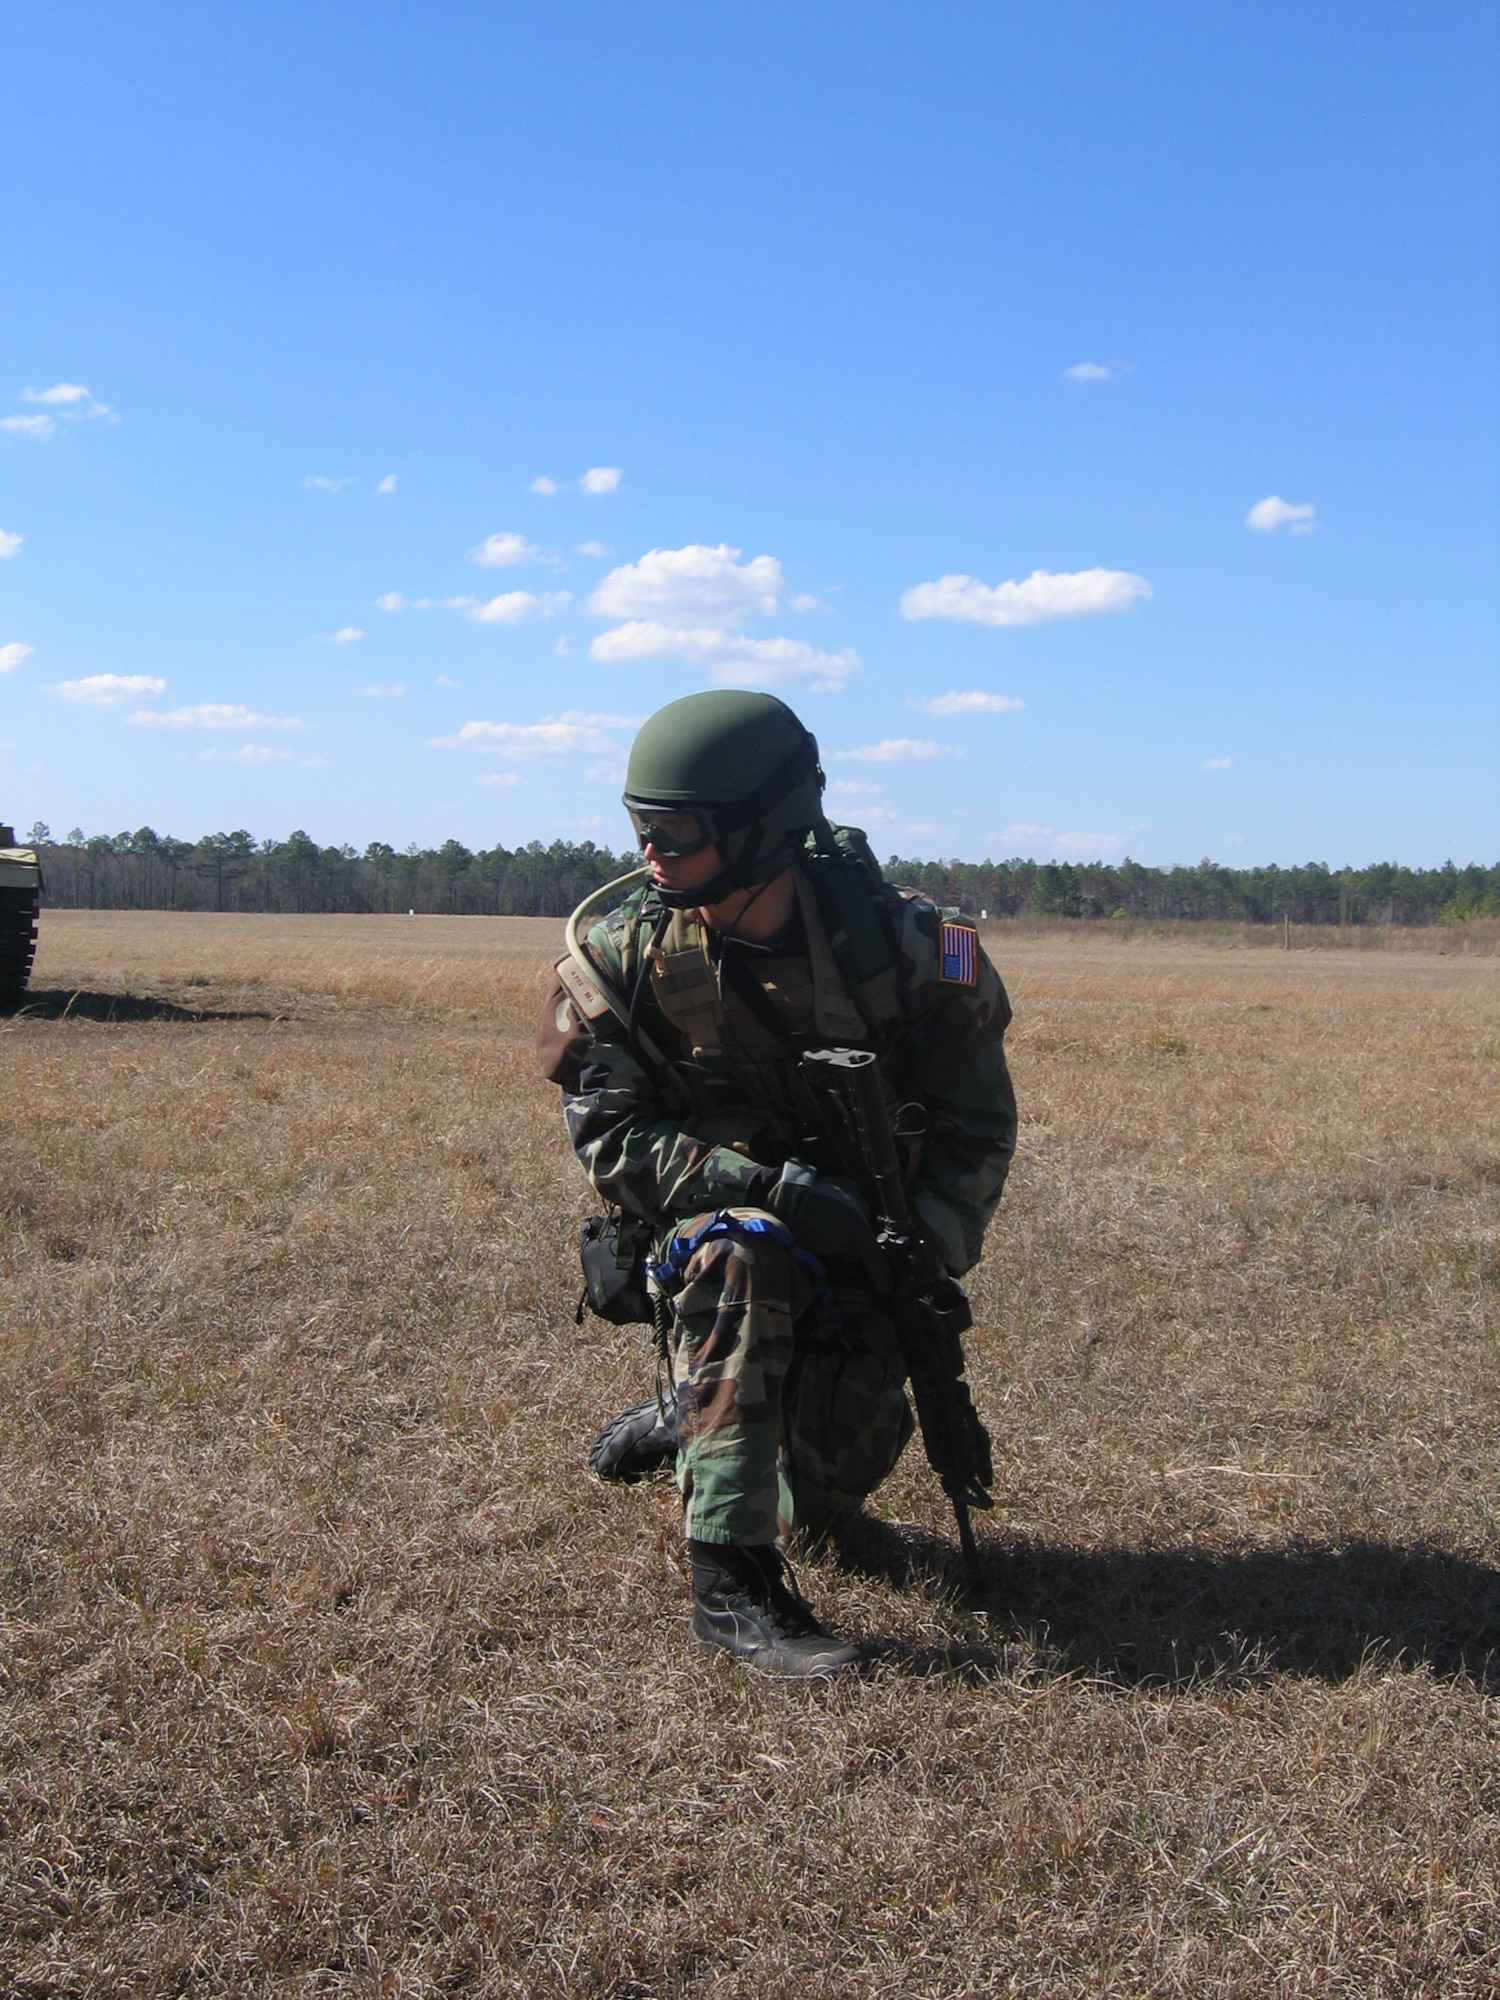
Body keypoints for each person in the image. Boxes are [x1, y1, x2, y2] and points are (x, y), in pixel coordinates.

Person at [536, 690, 1016, 1676]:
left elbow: (976, 1124)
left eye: (680, 830)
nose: (654, 852)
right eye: (642, 828)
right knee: (743, 1247)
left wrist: (918, 1246)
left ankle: (694, 1416)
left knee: (821, 1486)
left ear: (766, 828)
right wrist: (781, 1193)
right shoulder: (617, 960)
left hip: (858, 1269)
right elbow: (615, 1139)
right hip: (714, 1263)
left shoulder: (914, 951)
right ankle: (732, 1589)